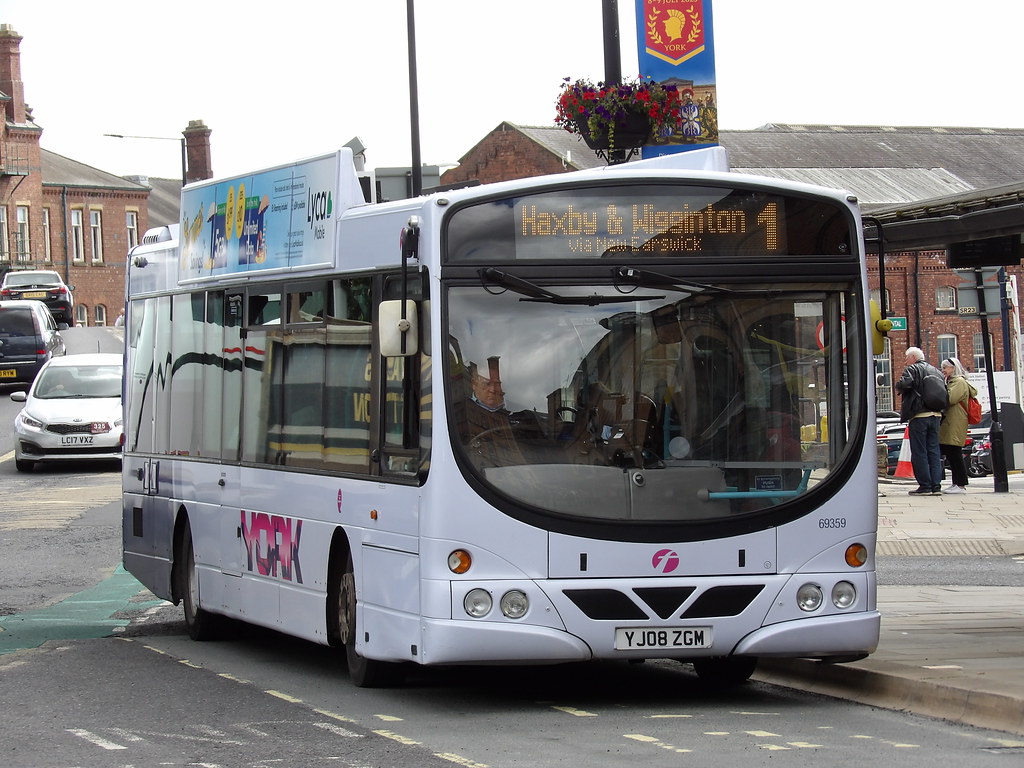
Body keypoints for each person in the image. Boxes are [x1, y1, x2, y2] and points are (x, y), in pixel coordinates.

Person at [894, 346, 944, 495]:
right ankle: (936, 485)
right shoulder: (936, 371)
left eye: (906, 358)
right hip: (936, 415)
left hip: (919, 416)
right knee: (934, 451)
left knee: (919, 451)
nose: (905, 361)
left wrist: (898, 386)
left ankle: (925, 486)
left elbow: (904, 384)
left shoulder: (913, 369)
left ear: (914, 358)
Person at [939, 357, 975, 494]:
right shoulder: (952, 381)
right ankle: (956, 483)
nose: (943, 370)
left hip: (955, 421)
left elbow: (950, 398)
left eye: (945, 368)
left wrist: (942, 385)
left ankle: (960, 484)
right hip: (951, 421)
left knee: (955, 452)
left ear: (953, 368)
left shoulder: (958, 382)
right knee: (951, 453)